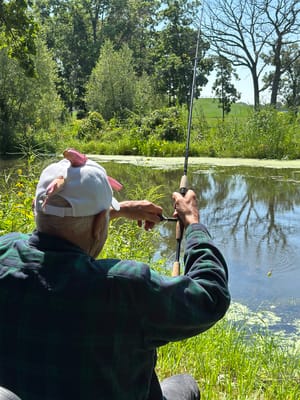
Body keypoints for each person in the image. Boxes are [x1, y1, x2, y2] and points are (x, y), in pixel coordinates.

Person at [0, 149, 230, 400]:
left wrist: (120, 210)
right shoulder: (123, 287)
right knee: (185, 384)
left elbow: (58, 222)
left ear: (37, 208)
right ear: (100, 224)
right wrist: (193, 224)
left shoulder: (5, 253)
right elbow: (211, 295)